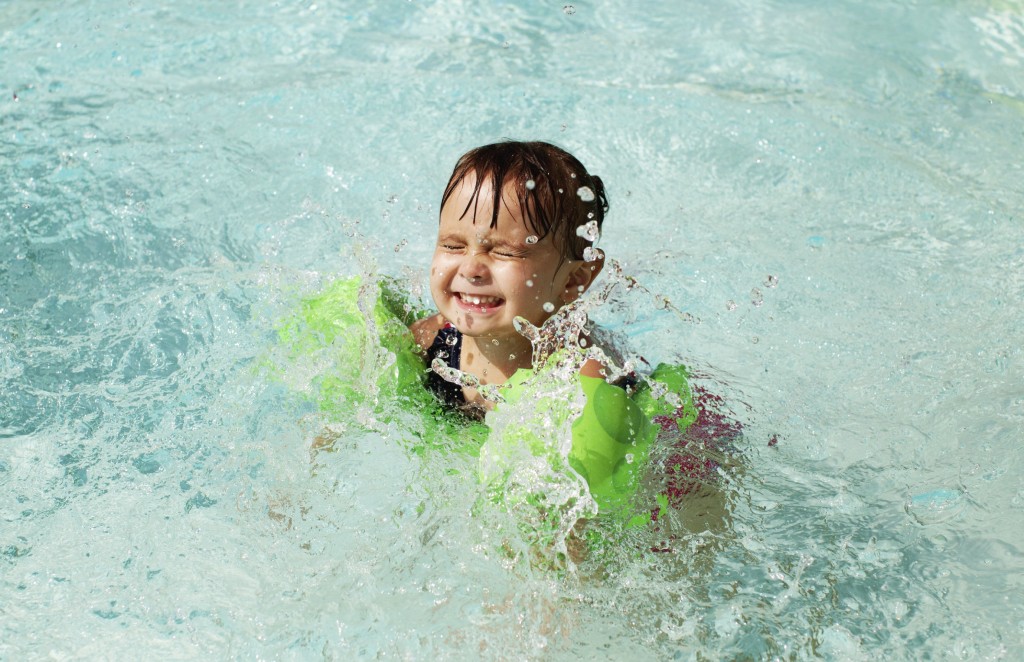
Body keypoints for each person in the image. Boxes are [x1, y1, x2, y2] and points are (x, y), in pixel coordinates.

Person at [410, 140, 611, 419]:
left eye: (505, 252)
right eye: (453, 246)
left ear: (573, 280)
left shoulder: (581, 377)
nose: (470, 269)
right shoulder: (430, 340)